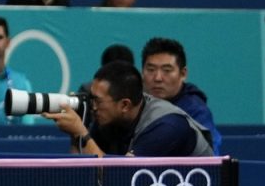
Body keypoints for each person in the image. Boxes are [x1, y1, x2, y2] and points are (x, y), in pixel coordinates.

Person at [45, 62, 215, 157]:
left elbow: (120, 178)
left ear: (124, 105)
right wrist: (76, 135)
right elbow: (82, 173)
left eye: (97, 100)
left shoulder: (166, 126)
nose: (92, 106)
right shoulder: (108, 120)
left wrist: (80, 132)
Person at [141, 37, 221, 153]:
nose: (158, 78)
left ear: (183, 74)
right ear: (142, 72)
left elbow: (210, 156)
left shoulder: (196, 111)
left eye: (167, 70)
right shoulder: (133, 103)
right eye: (151, 69)